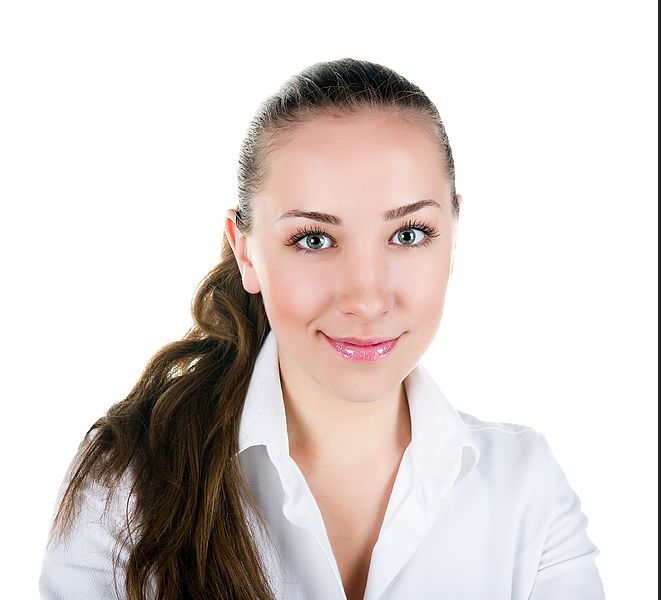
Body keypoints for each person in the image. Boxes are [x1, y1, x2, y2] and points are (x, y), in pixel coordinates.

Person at [39, 58, 605, 600]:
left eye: (408, 234)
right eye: (313, 239)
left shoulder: (527, 491)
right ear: (247, 254)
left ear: (454, 234)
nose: (365, 298)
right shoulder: (126, 486)